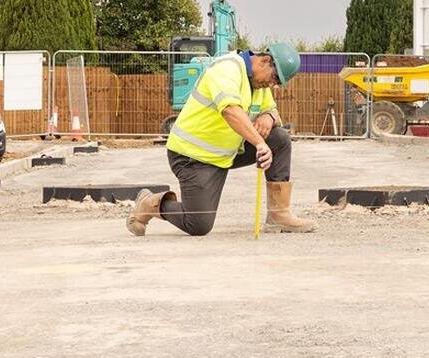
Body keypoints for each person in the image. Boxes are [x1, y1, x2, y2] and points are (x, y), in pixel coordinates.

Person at [126, 42, 316, 237]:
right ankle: (148, 203)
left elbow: (274, 112)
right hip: (192, 157)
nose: (272, 85)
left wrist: (269, 117)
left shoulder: (259, 84)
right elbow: (230, 111)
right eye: (274, 78)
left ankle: (279, 215)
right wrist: (259, 143)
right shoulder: (227, 68)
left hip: (224, 153)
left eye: (277, 83)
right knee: (199, 225)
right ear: (265, 61)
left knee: (279, 138)